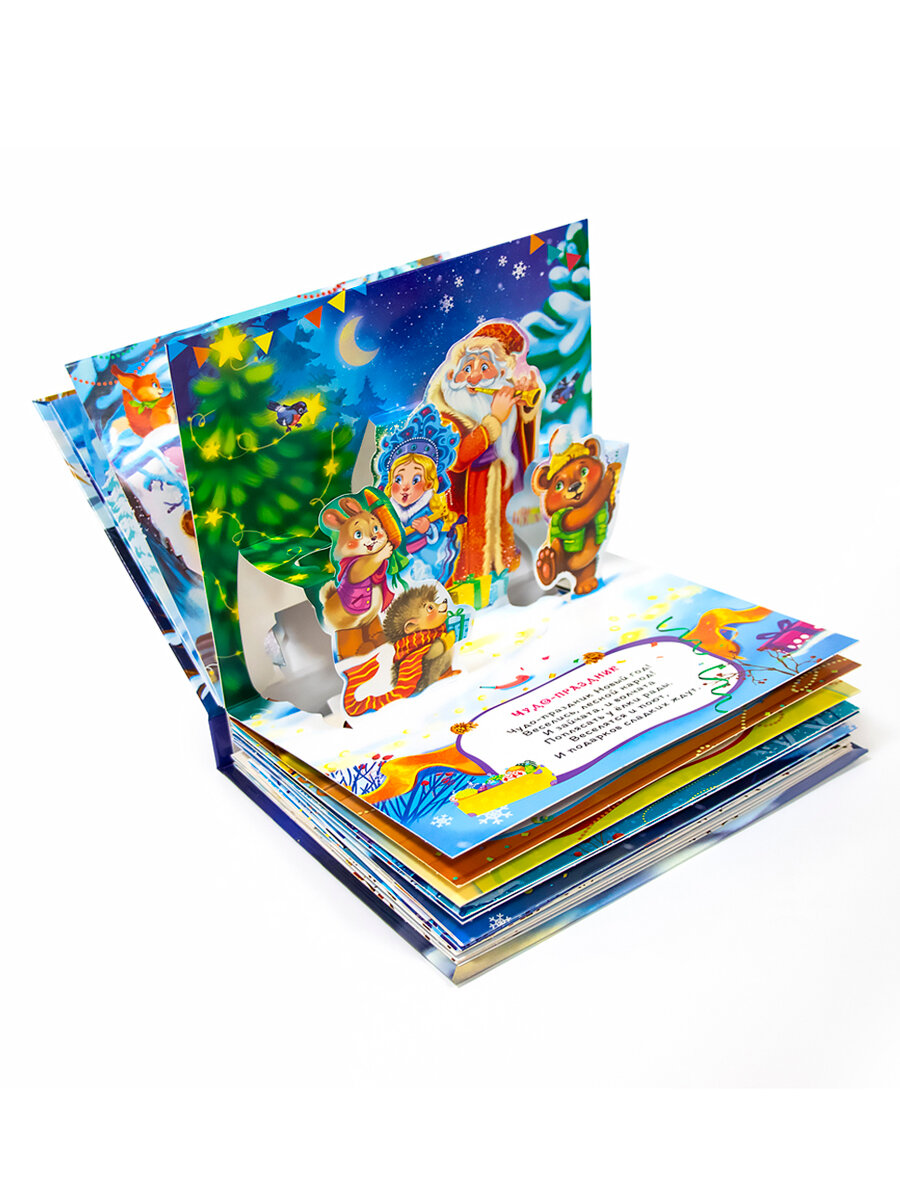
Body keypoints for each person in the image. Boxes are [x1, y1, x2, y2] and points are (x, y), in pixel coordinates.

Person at [425, 321, 543, 580]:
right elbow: (458, 458)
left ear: (500, 374)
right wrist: (494, 420)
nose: (474, 378)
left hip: (503, 484)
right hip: (470, 493)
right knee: (474, 550)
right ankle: (473, 579)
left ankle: (509, 570)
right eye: (467, 368)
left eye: (484, 368)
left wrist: (527, 401)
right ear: (453, 375)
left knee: (505, 536)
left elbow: (521, 436)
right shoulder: (446, 414)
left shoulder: (498, 399)